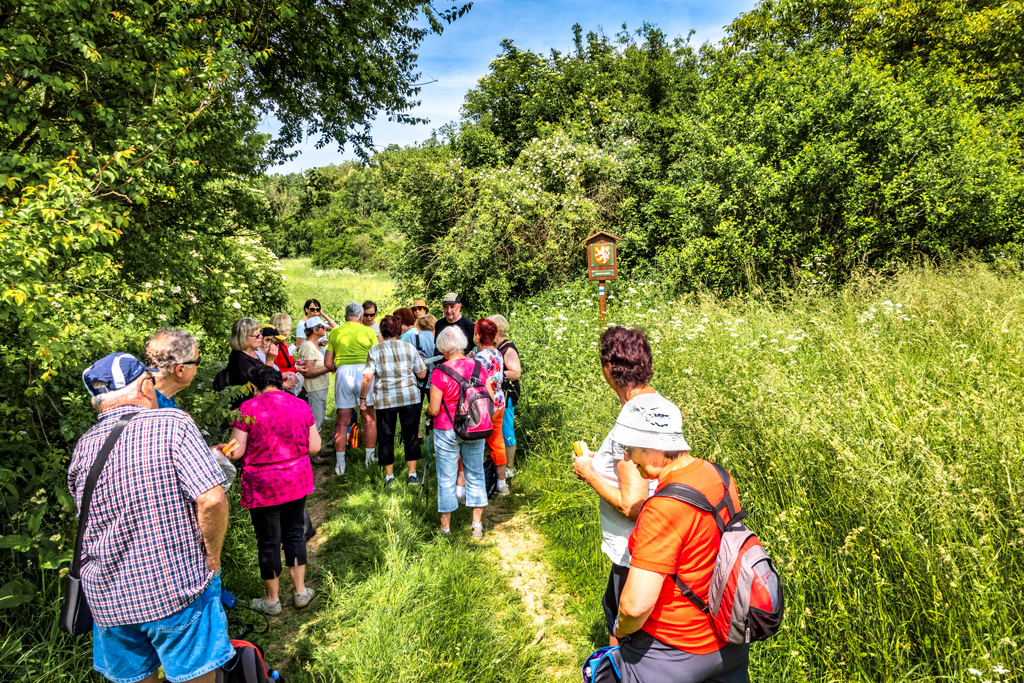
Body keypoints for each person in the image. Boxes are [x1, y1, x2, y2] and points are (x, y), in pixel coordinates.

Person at [69, 353, 233, 683]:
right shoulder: (174, 424)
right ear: (145, 386)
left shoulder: (83, 447)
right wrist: (212, 557)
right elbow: (212, 500)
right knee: (196, 675)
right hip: (174, 589)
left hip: (108, 598)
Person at [591, 394, 749, 683]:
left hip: (675, 648)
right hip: (730, 639)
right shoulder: (720, 477)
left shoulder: (661, 509)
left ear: (653, 447)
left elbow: (635, 606)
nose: (626, 458)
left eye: (628, 448)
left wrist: (621, 630)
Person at [571, 326, 658, 646]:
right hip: (657, 540)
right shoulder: (660, 405)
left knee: (623, 625)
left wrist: (588, 472)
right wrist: (601, 461)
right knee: (618, 608)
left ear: (610, 368)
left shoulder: (631, 420)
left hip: (632, 547)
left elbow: (632, 504)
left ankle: (616, 671)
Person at [227, 364, 320, 615]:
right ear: (280, 381)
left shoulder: (247, 409)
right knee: (294, 535)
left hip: (263, 486)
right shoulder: (300, 405)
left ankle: (272, 600)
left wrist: (221, 449)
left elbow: (235, 452)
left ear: (254, 386)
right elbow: (314, 446)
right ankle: (300, 592)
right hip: (296, 480)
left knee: (268, 542)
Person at [425, 326, 493, 539]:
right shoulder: (478, 366)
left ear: (443, 349)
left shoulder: (439, 372)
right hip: (475, 426)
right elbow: (490, 396)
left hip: (447, 430)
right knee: (475, 473)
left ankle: (445, 529)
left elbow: (434, 409)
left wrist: (426, 413)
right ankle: (477, 527)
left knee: (446, 477)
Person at [359, 315, 427, 486]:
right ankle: (412, 474)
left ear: (382, 331)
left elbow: (367, 377)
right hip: (409, 397)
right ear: (398, 330)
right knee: (410, 436)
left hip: (385, 399)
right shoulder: (409, 347)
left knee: (385, 437)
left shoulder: (375, 350)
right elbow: (422, 374)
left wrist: (362, 398)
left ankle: (389, 476)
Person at [323, 302, 379, 476]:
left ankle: (340, 464)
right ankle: (369, 459)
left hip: (343, 373)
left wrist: (336, 369)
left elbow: (327, 363)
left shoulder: (336, 332)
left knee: (342, 420)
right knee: (368, 418)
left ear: (346, 316)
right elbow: (376, 357)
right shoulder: (369, 331)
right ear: (361, 316)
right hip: (365, 372)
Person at [470, 318, 509, 495]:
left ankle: (472, 483)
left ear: (477, 335)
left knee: (475, 443)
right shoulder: (498, 354)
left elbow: (475, 381)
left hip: (483, 404)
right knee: (497, 441)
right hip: (499, 401)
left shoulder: (479, 358)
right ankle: (502, 483)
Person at [489, 314, 522, 478]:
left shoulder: (508, 348)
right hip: (497, 395)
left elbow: (516, 373)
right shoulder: (495, 346)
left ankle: (510, 467)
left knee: (506, 429)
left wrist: (495, 375)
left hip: (508, 394)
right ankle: (497, 462)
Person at [144, 328, 201, 409]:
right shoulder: (162, 412)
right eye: (197, 362)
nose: (197, 366)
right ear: (180, 370)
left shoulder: (134, 392)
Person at [297, 316, 331, 437]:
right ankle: (312, 453)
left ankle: (316, 449)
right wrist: (329, 368)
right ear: (316, 330)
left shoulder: (314, 344)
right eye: (322, 326)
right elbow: (308, 372)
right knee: (315, 420)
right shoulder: (309, 347)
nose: (325, 329)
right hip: (314, 389)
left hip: (319, 387)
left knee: (319, 417)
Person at [262, 323, 301, 396]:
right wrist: (282, 384)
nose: (278, 346)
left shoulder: (268, 353)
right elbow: (264, 381)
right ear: (265, 340)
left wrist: (282, 374)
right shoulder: (264, 355)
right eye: (276, 342)